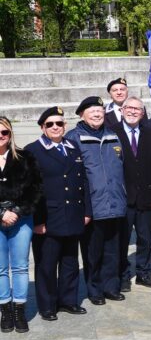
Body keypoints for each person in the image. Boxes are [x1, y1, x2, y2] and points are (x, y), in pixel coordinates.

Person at [27, 107, 89, 320]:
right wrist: (36, 220)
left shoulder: (72, 147)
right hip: (47, 218)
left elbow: (83, 181)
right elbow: (29, 190)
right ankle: (47, 306)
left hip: (73, 214)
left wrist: (86, 211)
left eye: (60, 123)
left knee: (71, 261)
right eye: (50, 124)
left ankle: (68, 301)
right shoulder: (32, 151)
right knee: (46, 264)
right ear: (42, 127)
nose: (55, 127)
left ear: (65, 126)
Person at [66, 95, 128, 306]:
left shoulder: (113, 135)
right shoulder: (74, 137)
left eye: (100, 112)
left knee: (113, 250)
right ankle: (95, 290)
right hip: (91, 206)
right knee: (93, 253)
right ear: (82, 114)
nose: (97, 114)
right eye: (92, 111)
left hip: (116, 204)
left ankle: (111, 287)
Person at [112, 97, 151, 290]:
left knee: (144, 239)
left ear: (143, 113)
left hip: (146, 198)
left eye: (138, 109)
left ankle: (143, 274)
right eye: (129, 108)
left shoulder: (150, 134)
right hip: (122, 200)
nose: (133, 112)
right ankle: (123, 276)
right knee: (122, 241)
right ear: (122, 110)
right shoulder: (112, 133)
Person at [0, 117, 41, 333]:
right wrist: (1, 213)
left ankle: (19, 310)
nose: (0, 136)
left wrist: (16, 211)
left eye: (4, 132)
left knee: (20, 266)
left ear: (10, 134)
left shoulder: (25, 157)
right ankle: (5, 310)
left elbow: (35, 188)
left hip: (21, 219)